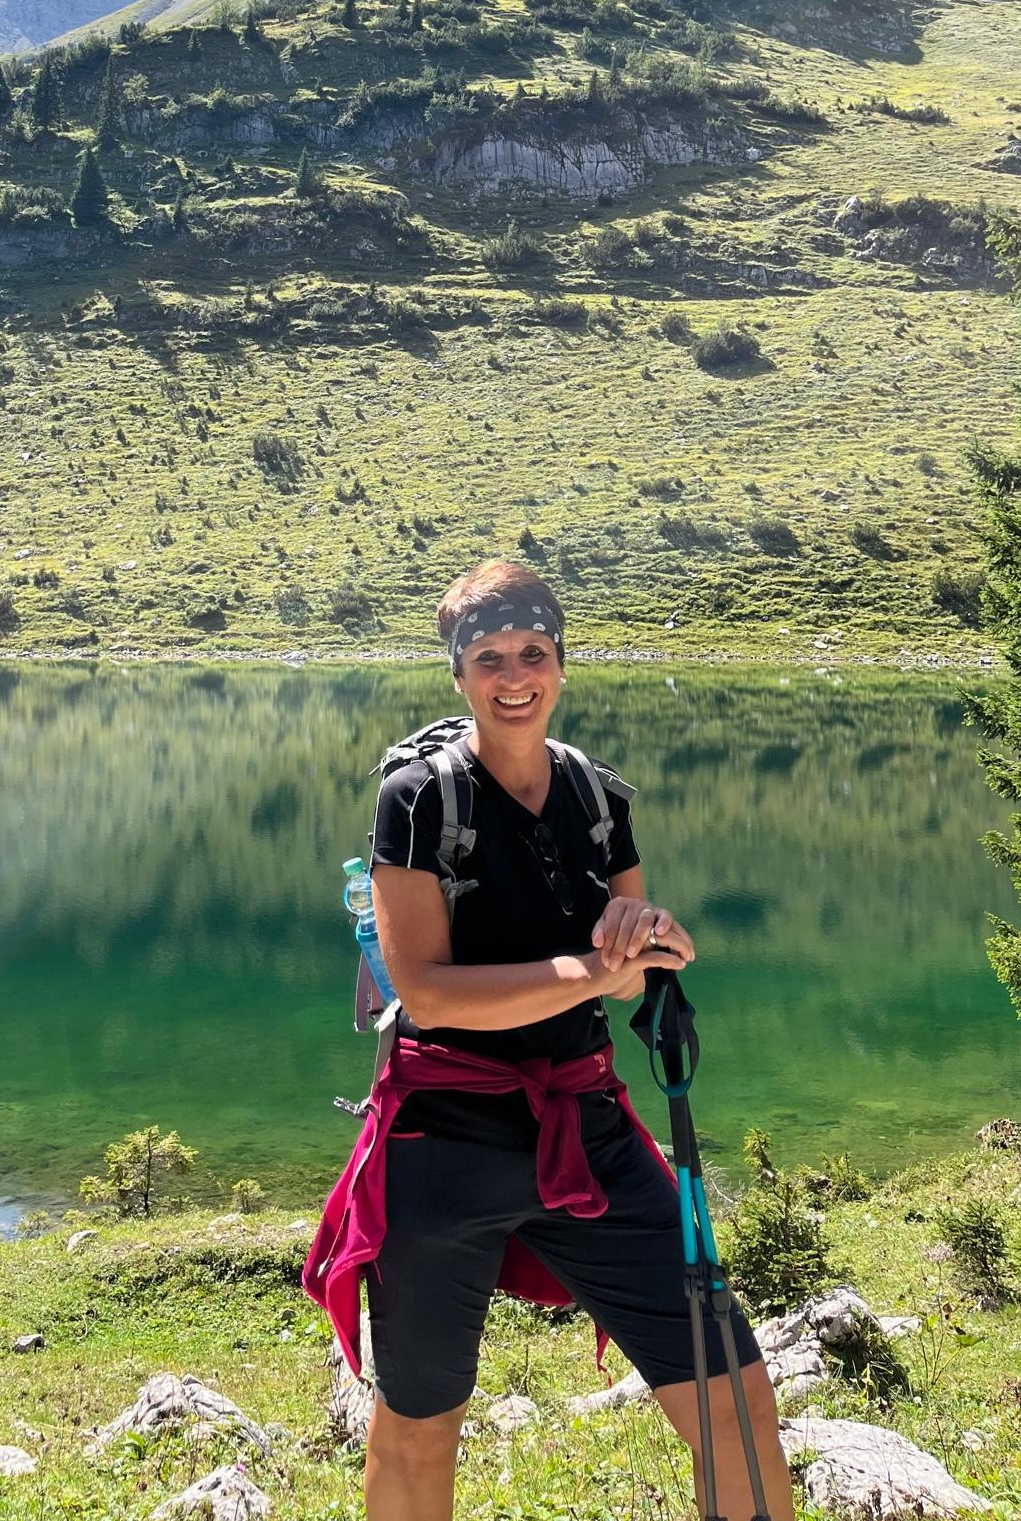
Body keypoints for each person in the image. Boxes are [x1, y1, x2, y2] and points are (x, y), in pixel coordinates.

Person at [303, 559, 795, 1521]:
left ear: (562, 662)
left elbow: (630, 959)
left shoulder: (600, 798)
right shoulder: (418, 799)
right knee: (418, 1426)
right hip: (443, 1145)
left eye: (533, 652)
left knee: (734, 1394)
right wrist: (595, 972)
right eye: (488, 657)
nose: (514, 676)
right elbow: (428, 994)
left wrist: (653, 940)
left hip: (587, 1130)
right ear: (458, 674)